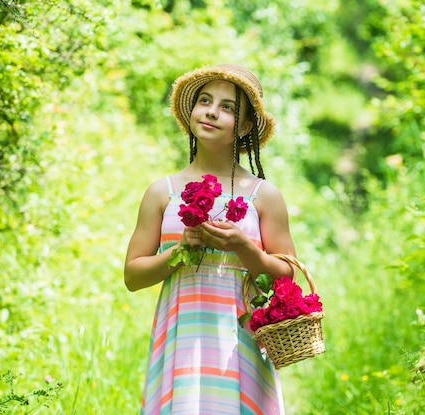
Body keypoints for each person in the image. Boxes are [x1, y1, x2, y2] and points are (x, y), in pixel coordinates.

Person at [124, 63, 296, 415]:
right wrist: (180, 251)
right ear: (192, 111)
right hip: (182, 336)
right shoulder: (163, 192)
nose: (212, 112)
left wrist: (243, 247)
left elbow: (287, 274)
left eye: (228, 107)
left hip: (240, 340)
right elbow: (133, 275)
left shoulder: (264, 195)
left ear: (246, 126)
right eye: (205, 101)